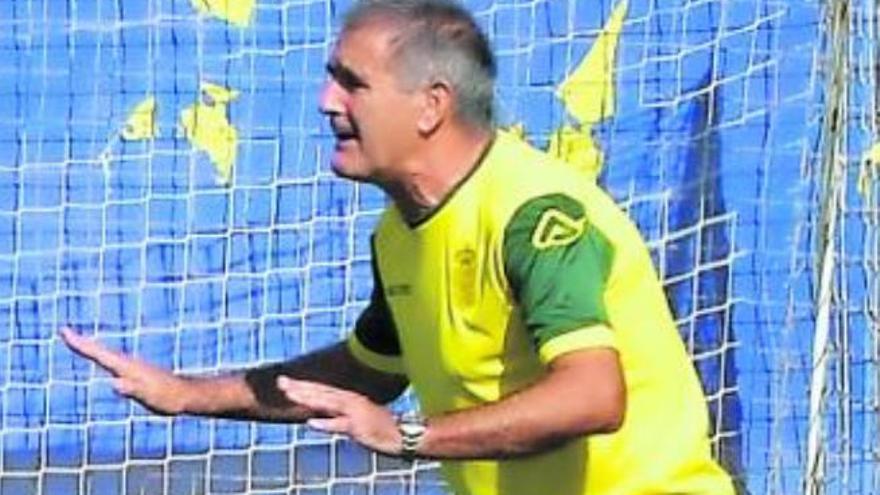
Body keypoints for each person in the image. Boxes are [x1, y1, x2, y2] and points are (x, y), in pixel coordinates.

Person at [62, 0, 735, 493]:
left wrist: (409, 434)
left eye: (352, 82)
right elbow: (368, 371)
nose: (327, 101)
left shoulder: (535, 215)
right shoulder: (397, 232)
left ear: (430, 106)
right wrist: (184, 393)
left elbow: (593, 395)